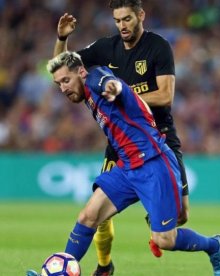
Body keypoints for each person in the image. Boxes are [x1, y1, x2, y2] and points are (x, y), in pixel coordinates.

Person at [38, 51, 220, 276]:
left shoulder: (95, 78)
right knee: (87, 216)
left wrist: (114, 87)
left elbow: (110, 82)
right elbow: (64, 59)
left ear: (81, 72)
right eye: (58, 83)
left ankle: (215, 245)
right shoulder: (85, 92)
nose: (63, 88)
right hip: (127, 167)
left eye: (66, 81)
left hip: (153, 163)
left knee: (165, 239)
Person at [53, 1, 189, 273]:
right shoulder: (106, 47)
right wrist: (62, 39)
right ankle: (104, 265)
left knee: (181, 215)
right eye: (117, 20)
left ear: (140, 16)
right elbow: (63, 68)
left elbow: (165, 95)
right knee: (96, 216)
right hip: (120, 144)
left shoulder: (158, 47)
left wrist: (125, 97)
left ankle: (157, 220)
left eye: (127, 19)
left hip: (158, 137)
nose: (122, 26)